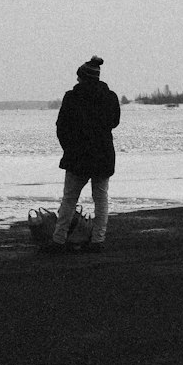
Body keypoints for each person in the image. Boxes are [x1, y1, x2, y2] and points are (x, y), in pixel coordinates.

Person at [49, 55, 121, 252]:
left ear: (82, 77)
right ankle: (98, 240)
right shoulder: (110, 97)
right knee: (101, 199)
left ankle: (58, 240)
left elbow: (61, 127)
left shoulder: (72, 97)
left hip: (78, 156)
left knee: (69, 199)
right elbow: (114, 122)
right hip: (103, 155)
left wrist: (69, 148)